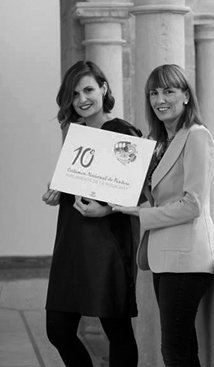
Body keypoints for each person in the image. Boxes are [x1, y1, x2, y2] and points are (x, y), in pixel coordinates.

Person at [111, 64, 214, 366]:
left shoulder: (196, 136)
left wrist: (141, 214)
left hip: (187, 257)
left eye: (168, 91)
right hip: (165, 256)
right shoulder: (159, 142)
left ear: (186, 95)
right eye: (154, 93)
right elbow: (154, 195)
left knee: (174, 350)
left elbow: (192, 205)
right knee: (183, 348)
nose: (160, 100)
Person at [41, 60, 139, 366]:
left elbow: (137, 193)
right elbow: (80, 182)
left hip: (107, 243)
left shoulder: (124, 132)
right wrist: (57, 190)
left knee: (117, 330)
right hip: (70, 240)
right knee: (58, 329)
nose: (81, 99)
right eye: (74, 94)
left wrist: (106, 209)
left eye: (88, 90)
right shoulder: (76, 134)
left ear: (103, 89)